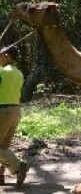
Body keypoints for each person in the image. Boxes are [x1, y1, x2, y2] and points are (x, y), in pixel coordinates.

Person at [0, 45, 29, 187]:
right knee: (3, 147)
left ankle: (19, 166)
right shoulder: (19, 73)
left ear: (6, 56)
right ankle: (0, 175)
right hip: (16, 111)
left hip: (3, 111)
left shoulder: (2, 72)